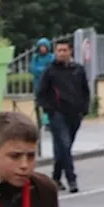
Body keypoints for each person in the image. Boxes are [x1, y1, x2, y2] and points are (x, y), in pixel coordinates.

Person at [34, 39, 89, 193]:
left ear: (70, 51)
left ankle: (56, 177)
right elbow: (40, 93)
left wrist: (84, 109)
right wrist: (49, 109)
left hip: (74, 114)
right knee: (64, 144)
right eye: (59, 50)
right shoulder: (50, 71)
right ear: (55, 52)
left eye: (65, 50)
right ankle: (72, 179)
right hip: (57, 114)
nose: (62, 53)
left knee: (64, 148)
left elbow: (85, 91)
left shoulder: (78, 70)